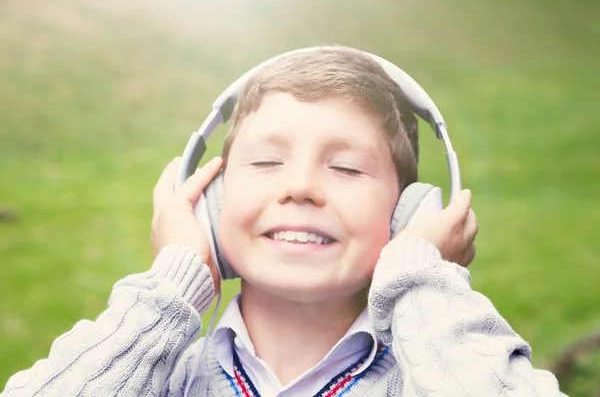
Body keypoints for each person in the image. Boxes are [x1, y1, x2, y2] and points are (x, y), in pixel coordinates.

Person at [2, 46, 566, 396]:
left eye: (346, 167)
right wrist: (171, 287)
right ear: (211, 202)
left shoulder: (436, 373)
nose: (299, 187)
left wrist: (420, 283)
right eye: (268, 162)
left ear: (406, 215)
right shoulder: (158, 374)